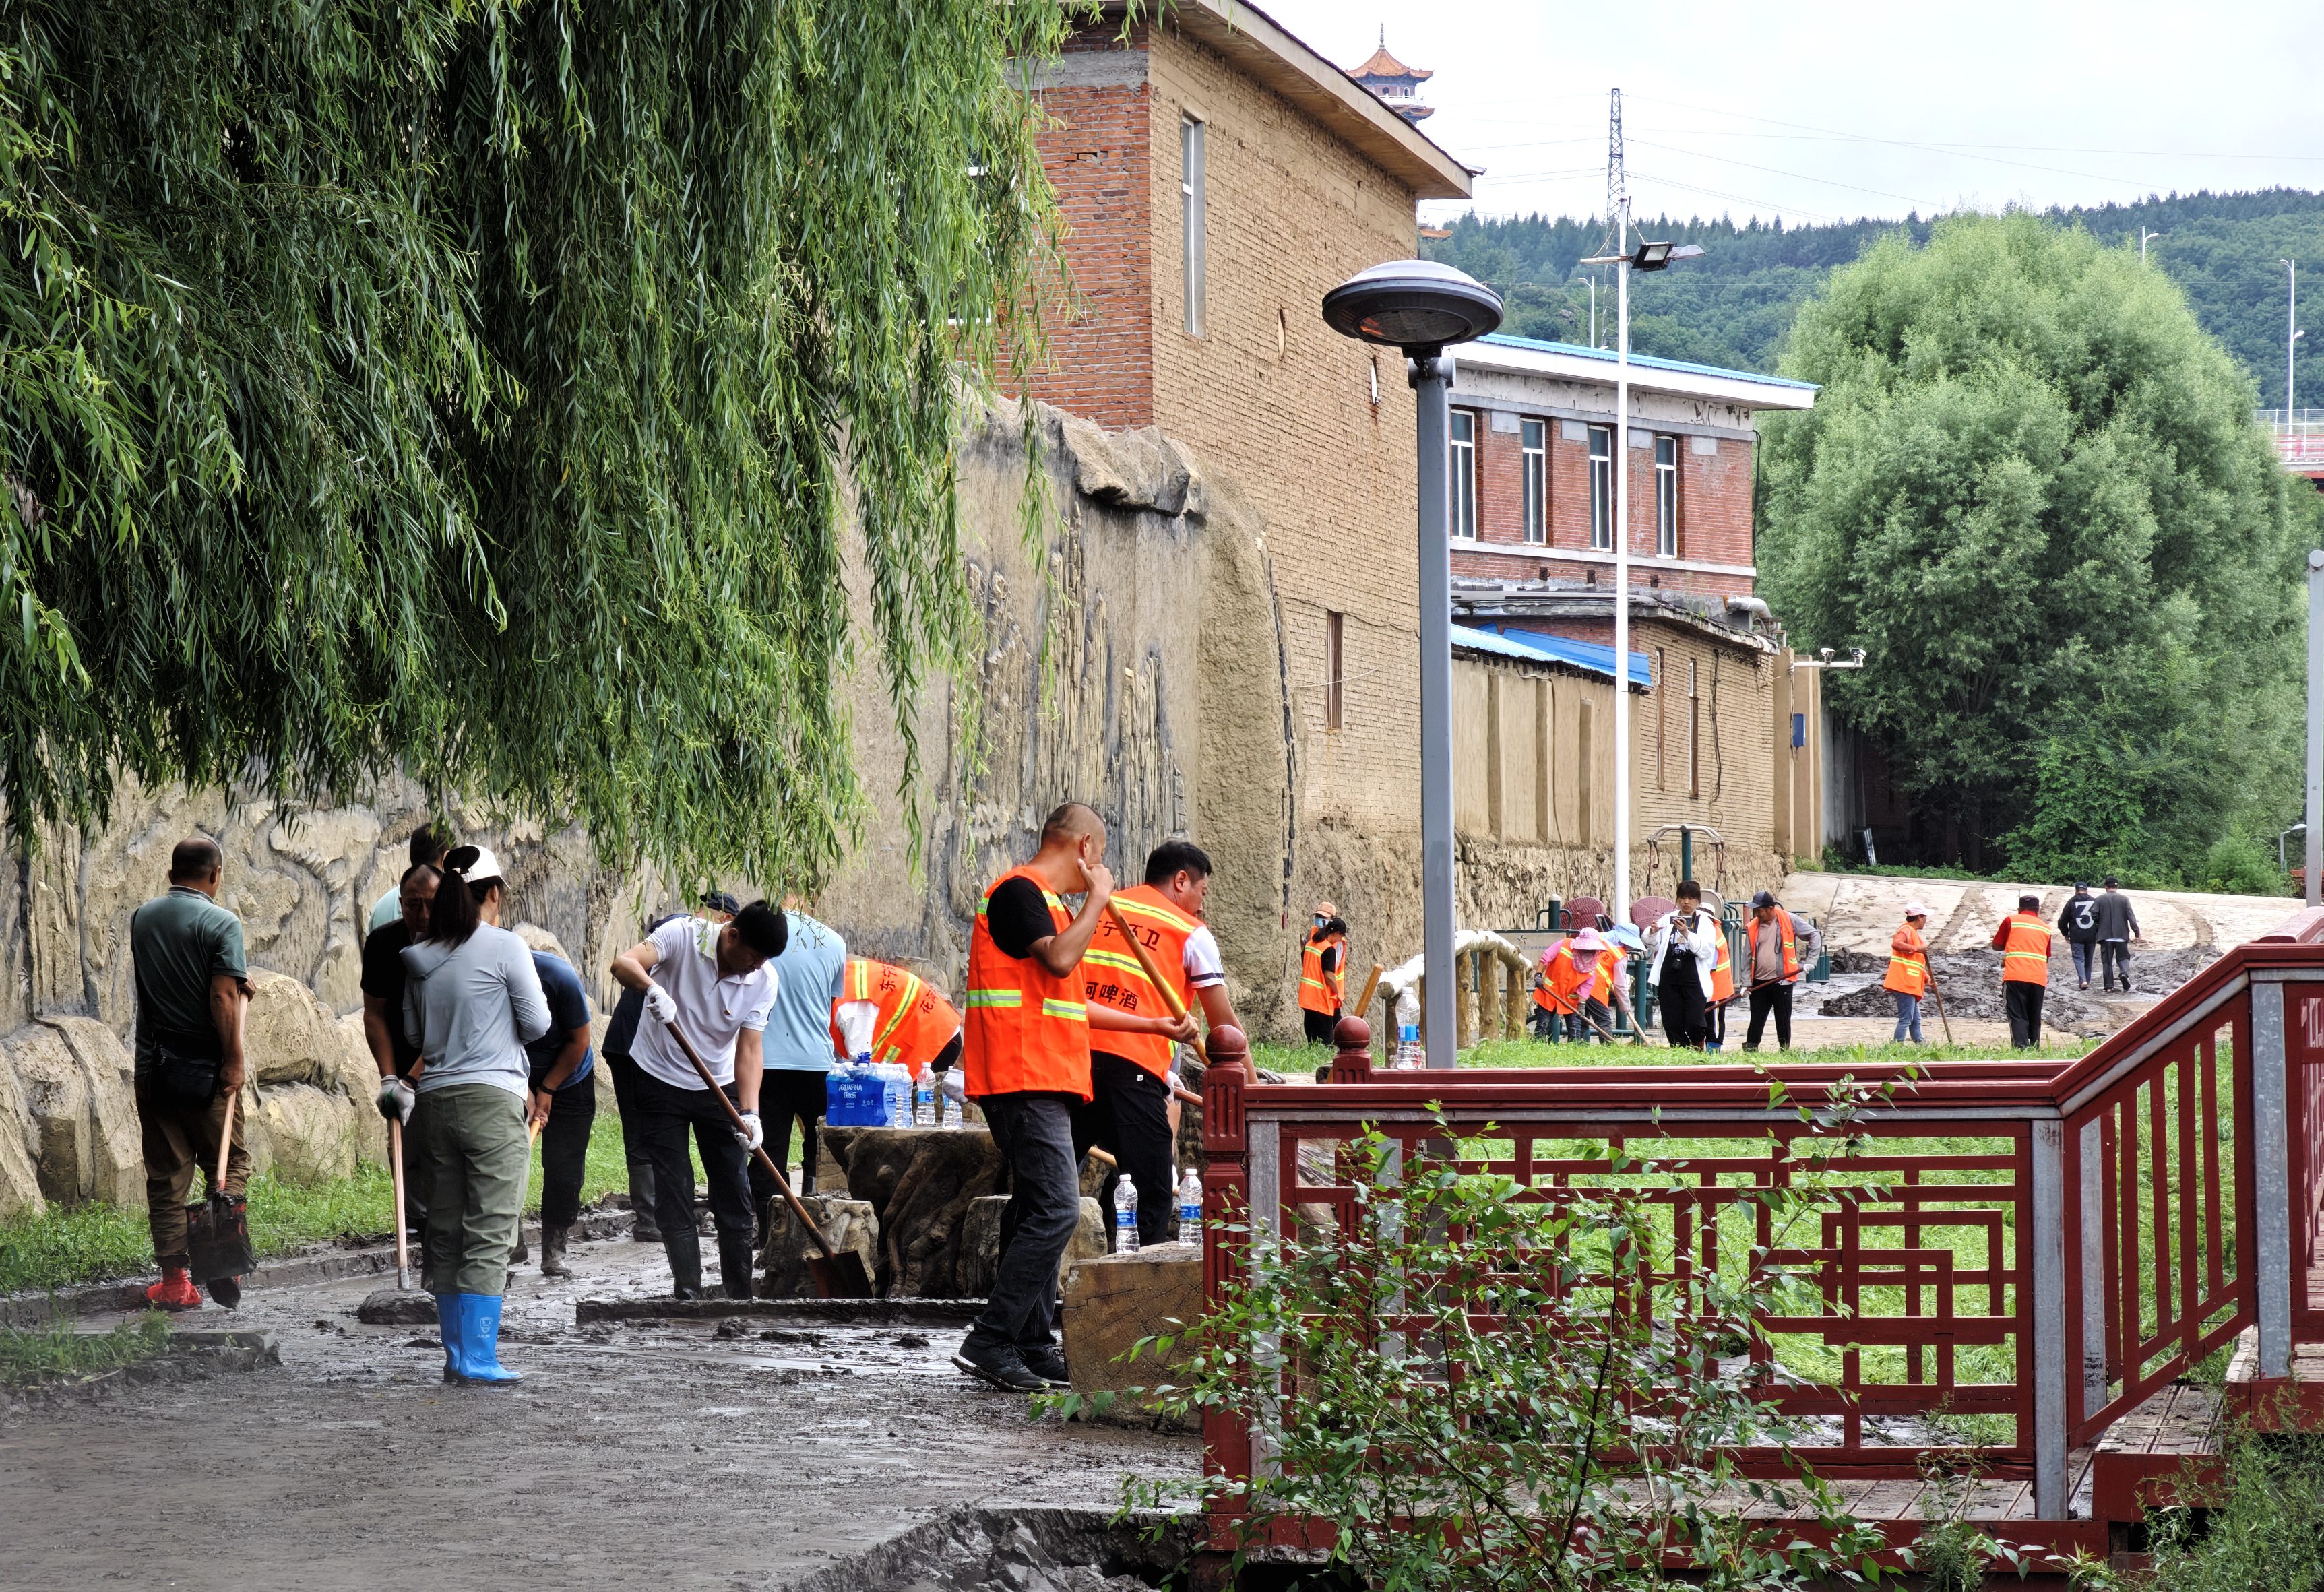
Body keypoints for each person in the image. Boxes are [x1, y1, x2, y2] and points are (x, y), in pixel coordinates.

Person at [954, 801, 1114, 1392]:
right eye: (1099, 856)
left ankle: (1029, 1339)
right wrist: (1097, 900)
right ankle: (991, 1338)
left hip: (1045, 1077)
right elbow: (1059, 959)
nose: (1099, 870)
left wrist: (1154, 1026)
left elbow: (1067, 997)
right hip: (1021, 1077)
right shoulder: (1017, 893)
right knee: (1056, 1209)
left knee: (1033, 1208)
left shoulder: (1048, 907)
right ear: (1084, 847)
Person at [399, 845, 550, 1384]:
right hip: (492, 1099)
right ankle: (480, 1357)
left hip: (434, 1103)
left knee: (444, 1228)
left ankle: (456, 1354)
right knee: (489, 1227)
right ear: (491, 893)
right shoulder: (507, 946)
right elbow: (536, 1023)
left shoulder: (418, 957)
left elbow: (415, 1037)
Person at [608, 899, 786, 1300]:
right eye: (755, 956)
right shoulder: (684, 936)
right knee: (674, 1187)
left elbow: (750, 1049)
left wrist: (751, 1112)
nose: (757, 966)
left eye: (765, 961)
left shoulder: (764, 979)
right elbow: (623, 963)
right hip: (658, 1078)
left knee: (733, 1188)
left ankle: (739, 1293)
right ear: (733, 935)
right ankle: (687, 1291)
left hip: (718, 1086)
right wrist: (653, 988)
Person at [129, 837, 253, 1310]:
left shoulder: (143, 917)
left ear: (170, 872)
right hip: (209, 1074)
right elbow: (222, 997)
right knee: (229, 1164)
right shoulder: (222, 922)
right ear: (215, 874)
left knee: (166, 1174)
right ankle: (223, 1256)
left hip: (155, 1069)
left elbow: (174, 977)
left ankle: (177, 1281)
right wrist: (235, 1059)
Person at [1079, 840, 1218, 1249]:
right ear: (1181, 881)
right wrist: (1251, 1090)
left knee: (1048, 1191)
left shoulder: (1099, 907)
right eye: (1201, 893)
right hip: (1132, 1068)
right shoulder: (1189, 932)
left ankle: (1029, 1309)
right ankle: (1138, 1301)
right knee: (1153, 1192)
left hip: (1072, 1062)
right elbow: (1225, 1026)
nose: (1200, 905)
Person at [601, 891, 739, 1243]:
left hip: (660, 1046)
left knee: (650, 1131)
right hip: (638, 1044)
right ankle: (649, 1215)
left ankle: (658, 1211)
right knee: (643, 1129)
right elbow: (628, 964)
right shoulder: (678, 931)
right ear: (722, 920)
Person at [753, 901, 846, 1230]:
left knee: (768, 1152)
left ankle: (769, 1233)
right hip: (817, 1064)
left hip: (766, 1063)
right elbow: (829, 1005)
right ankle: (813, 1224)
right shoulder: (834, 941)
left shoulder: (761, 936)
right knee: (819, 1152)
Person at [362, 861, 439, 1237]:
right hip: (404, 1062)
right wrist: (390, 1078)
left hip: (456, 1067)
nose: (422, 915)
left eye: (431, 903)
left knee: (453, 1160)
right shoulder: (382, 943)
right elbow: (375, 1014)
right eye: (412, 904)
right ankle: (423, 1239)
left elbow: (451, 1026)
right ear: (400, 900)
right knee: (409, 1158)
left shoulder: (461, 943)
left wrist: (413, 1080)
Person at [515, 945, 594, 1277]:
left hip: (570, 1074)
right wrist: (526, 1091)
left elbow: (579, 1041)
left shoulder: (559, 977)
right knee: (502, 1162)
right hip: (509, 1075)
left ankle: (554, 1248)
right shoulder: (487, 976)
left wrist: (547, 1089)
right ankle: (509, 1244)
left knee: (564, 1165)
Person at [830, 957, 964, 1079]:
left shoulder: (847, 1008)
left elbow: (861, 1064)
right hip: (938, 1028)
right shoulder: (847, 978)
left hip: (936, 1044)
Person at [1743, 890, 1823, 1052]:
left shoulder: (1788, 919)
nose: (1757, 914)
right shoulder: (1753, 927)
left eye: (1759, 910)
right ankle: (1751, 1050)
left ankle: (1784, 1050)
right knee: (1756, 1019)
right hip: (1759, 982)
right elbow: (1747, 956)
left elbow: (1814, 935)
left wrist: (1810, 962)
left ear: (1770, 908)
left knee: (1783, 1019)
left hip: (1782, 981)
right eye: (1755, 910)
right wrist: (1745, 983)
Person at [1647, 881, 1721, 1050]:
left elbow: (1706, 951)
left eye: (1691, 899)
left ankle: (1697, 1045)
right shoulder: (1668, 919)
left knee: (1695, 1021)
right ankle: (1680, 1050)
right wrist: (1652, 932)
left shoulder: (1705, 922)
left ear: (1698, 901)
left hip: (1693, 978)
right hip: (1670, 976)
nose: (1686, 902)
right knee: (1672, 1020)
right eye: (1683, 898)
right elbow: (1653, 943)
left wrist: (1686, 933)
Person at [1536, 926, 1632, 1042]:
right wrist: (1538, 975)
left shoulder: (1592, 964)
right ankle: (1537, 1044)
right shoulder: (1564, 945)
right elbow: (1546, 958)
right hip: (1549, 992)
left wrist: (1582, 1004)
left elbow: (1586, 986)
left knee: (1575, 1031)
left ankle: (1574, 1050)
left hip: (1570, 999)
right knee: (1543, 1025)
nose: (1588, 952)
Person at [1991, 893, 2052, 1048]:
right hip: (2038, 978)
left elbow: (1997, 945)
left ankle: (2021, 1050)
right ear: (2038, 910)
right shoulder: (2045, 928)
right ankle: (2034, 1049)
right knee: (2034, 1016)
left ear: (2019, 909)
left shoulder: (2011, 920)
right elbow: (2046, 955)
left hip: (2015, 975)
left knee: (2018, 1015)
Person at [369, 823, 451, 934]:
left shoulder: (382, 906)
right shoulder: (454, 903)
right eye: (414, 904)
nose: (424, 915)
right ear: (446, 858)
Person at [1298, 903, 1348, 1044]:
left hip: (1324, 993)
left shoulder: (1334, 943)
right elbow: (1328, 972)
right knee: (1325, 1036)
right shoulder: (1315, 937)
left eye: (1324, 918)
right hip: (1324, 994)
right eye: (1318, 917)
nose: (1320, 920)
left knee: (1323, 1031)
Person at [1885, 903, 1933, 1044]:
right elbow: (1896, 944)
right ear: (1919, 917)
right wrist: (1917, 948)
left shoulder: (1914, 934)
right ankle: (1896, 1046)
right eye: (1925, 917)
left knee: (1915, 1019)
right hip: (1904, 982)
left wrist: (1926, 977)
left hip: (1910, 983)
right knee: (1906, 1019)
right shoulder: (1906, 930)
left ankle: (1921, 1044)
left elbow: (1914, 962)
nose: (1926, 920)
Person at [2093, 877, 2141, 994]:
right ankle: (2124, 973)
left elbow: (2094, 915)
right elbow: (2131, 917)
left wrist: (2099, 926)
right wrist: (2137, 932)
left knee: (2107, 962)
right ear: (2117, 887)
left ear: (2105, 887)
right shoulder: (2124, 899)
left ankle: (2109, 987)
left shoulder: (2099, 899)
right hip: (2121, 935)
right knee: (2124, 957)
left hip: (2105, 936)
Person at [2059, 883, 2100, 991]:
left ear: (2076, 890)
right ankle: (2087, 981)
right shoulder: (2094, 901)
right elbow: (2099, 918)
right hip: (2091, 935)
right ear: (2086, 890)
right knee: (2089, 959)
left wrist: (2065, 933)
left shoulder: (2071, 902)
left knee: (2079, 959)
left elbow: (2062, 920)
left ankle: (2083, 980)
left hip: (2076, 935)